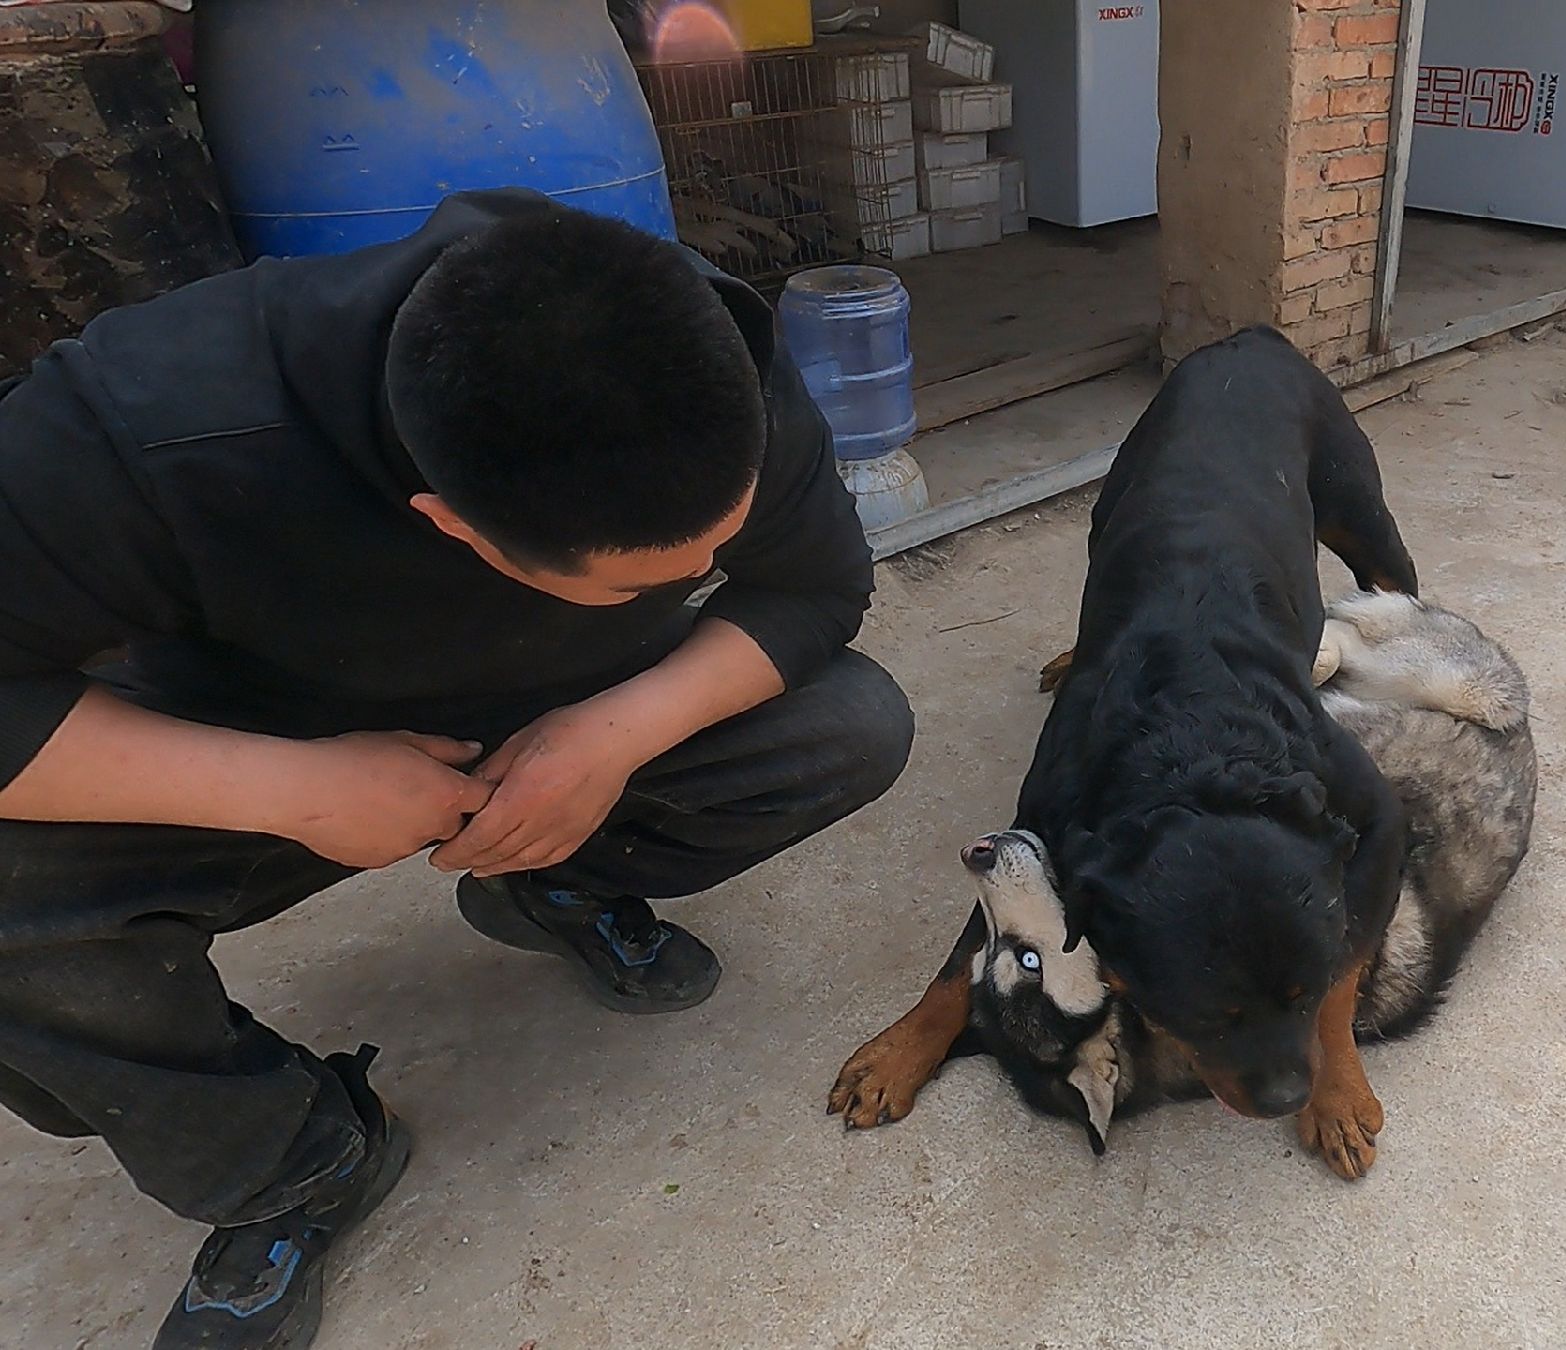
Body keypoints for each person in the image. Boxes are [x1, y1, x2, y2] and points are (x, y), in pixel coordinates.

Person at [0, 189, 913, 1349]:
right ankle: (293, 1162)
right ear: (455, 528)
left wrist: (612, 736)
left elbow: (820, 586)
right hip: (262, 743)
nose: (705, 573)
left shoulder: (699, 350)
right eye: (645, 580)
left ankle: (558, 874)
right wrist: (288, 790)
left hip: (570, 717)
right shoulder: (142, 426)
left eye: (713, 550)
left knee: (851, 723)